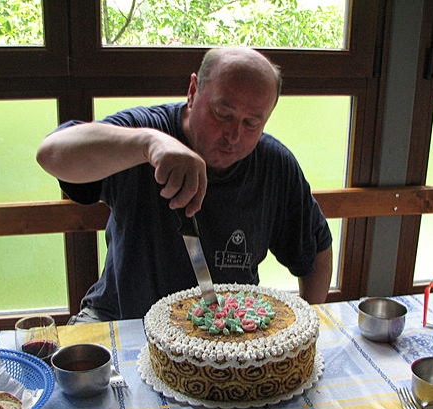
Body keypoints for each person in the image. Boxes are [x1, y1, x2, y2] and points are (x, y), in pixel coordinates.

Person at [37, 47, 333, 323]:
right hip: (123, 318)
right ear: (193, 91)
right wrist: (149, 144)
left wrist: (309, 324)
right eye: (223, 114)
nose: (233, 135)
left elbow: (316, 250)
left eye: (251, 123)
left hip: (226, 327)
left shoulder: (274, 165)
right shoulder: (147, 129)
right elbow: (50, 152)